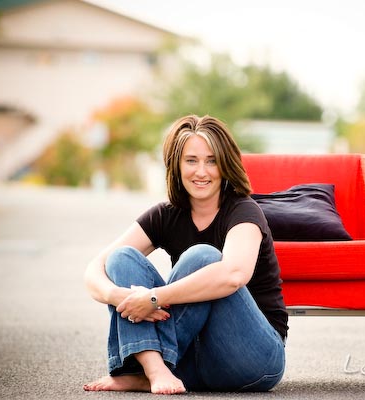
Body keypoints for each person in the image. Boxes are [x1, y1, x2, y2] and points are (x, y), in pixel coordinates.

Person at [83, 115, 288, 394]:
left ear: (225, 165)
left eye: (212, 161)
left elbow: (233, 275)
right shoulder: (166, 214)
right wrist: (116, 296)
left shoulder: (243, 211)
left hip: (253, 359)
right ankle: (153, 370)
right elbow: (97, 267)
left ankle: (144, 371)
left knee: (203, 256)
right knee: (122, 258)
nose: (201, 171)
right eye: (191, 160)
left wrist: (154, 298)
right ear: (176, 166)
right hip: (186, 360)